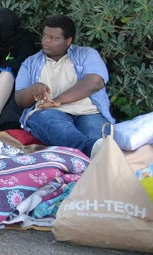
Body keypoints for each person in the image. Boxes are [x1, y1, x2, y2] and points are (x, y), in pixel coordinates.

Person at [14, 15, 113, 157]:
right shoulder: (30, 63)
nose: (47, 41)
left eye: (54, 38)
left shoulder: (86, 54)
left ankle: (89, 153)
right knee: (61, 130)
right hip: (49, 113)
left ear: (68, 41)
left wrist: (58, 100)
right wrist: (33, 90)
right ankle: (92, 153)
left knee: (98, 138)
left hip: (88, 112)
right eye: (45, 36)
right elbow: (20, 100)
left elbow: (95, 81)